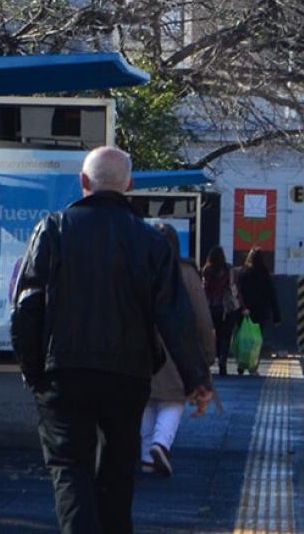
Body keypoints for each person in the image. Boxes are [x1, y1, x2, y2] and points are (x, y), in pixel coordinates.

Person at [9, 146, 213, 533]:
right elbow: (175, 316)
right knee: (118, 474)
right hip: (128, 375)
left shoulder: (53, 229)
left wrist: (36, 373)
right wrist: (196, 379)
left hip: (64, 371)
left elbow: (27, 308)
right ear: (130, 186)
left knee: (70, 468)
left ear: (83, 182)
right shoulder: (151, 242)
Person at [141, 224, 216, 477]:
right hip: (177, 348)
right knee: (174, 398)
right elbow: (203, 320)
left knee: (148, 399)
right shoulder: (186, 272)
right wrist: (207, 354)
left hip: (142, 347)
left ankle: (146, 455)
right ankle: (161, 444)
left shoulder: (139, 267)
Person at [236, 247, 281, 370]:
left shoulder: (242, 273)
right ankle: (253, 363)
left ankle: (242, 362)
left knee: (243, 338)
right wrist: (276, 317)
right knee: (257, 340)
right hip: (261, 312)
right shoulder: (265, 274)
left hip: (244, 311)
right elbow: (272, 295)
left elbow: (237, 292)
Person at [201, 246, 239, 376]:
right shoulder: (229, 270)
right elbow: (234, 289)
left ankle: (216, 357)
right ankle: (223, 359)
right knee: (226, 336)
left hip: (212, 308)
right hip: (227, 308)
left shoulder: (207, 270)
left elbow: (205, 289)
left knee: (214, 335)